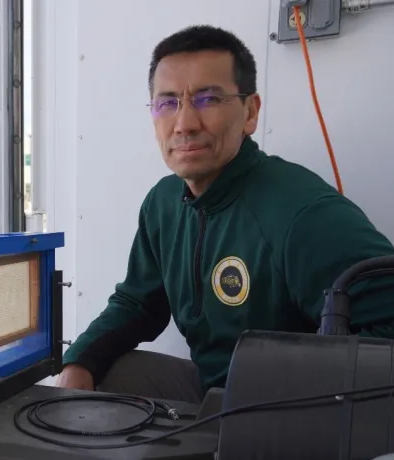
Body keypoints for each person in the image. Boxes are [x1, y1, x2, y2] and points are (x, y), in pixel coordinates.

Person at [57, 24, 394, 405]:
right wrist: (79, 361)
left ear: (250, 112)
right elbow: (138, 303)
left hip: (286, 411)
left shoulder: (302, 213)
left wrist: (294, 399)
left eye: (207, 99)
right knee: (110, 371)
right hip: (212, 392)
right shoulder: (163, 203)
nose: (184, 123)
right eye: (168, 102)